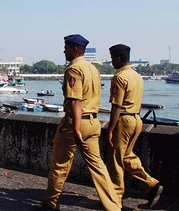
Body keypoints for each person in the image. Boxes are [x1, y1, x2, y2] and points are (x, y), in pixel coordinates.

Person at [38, 34, 121, 211]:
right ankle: (114, 206)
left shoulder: (73, 69)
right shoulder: (93, 69)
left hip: (76, 122)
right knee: (99, 167)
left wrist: (75, 129)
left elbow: (76, 101)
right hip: (93, 122)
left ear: (75, 49)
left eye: (66, 47)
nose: (64, 51)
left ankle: (50, 204)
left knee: (60, 165)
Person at [106, 44, 163, 208]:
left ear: (118, 58)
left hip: (123, 120)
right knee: (127, 156)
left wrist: (110, 129)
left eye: (112, 59)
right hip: (136, 119)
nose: (111, 62)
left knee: (116, 160)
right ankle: (151, 184)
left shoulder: (120, 77)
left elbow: (116, 106)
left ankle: (115, 200)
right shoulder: (137, 76)